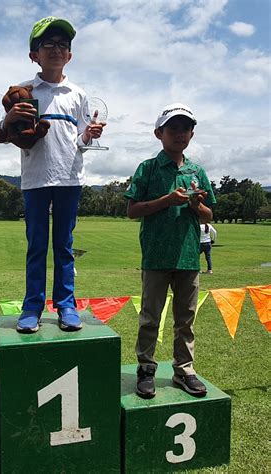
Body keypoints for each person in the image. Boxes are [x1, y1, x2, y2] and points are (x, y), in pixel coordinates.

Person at [0, 16, 105, 333]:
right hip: (35, 181)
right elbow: (7, 134)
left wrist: (90, 135)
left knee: (64, 247)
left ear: (69, 55)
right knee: (36, 247)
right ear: (35, 54)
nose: (57, 49)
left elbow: (81, 142)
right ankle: (32, 307)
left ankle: (66, 305)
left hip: (69, 179)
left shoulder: (78, 94)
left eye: (63, 45)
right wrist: (7, 120)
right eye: (49, 44)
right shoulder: (22, 92)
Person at [124, 103, 216, 398]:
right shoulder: (148, 168)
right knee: (150, 316)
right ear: (158, 133)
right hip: (156, 255)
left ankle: (184, 370)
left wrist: (194, 204)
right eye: (172, 128)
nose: (179, 134)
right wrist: (166, 200)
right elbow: (132, 210)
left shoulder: (196, 171)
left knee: (186, 318)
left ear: (191, 134)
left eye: (185, 128)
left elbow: (208, 215)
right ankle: (146, 369)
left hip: (189, 255)